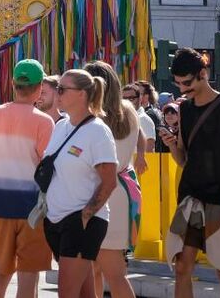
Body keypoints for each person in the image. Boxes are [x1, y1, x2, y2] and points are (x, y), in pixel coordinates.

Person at [159, 48, 220, 297]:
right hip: (191, 197)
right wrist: (171, 146)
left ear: (203, 73)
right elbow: (183, 160)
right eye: (178, 83)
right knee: (182, 266)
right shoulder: (185, 109)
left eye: (187, 82)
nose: (182, 89)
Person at [0, 59, 55, 298]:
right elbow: (49, 164)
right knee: (28, 274)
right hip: (32, 207)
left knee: (2, 272)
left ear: (13, 84)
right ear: (40, 86)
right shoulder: (44, 121)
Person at [41, 69, 118, 298]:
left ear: (82, 94)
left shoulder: (98, 132)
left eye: (63, 89)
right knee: (85, 294)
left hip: (80, 221)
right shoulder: (61, 126)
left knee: (67, 293)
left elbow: (109, 181)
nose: (58, 94)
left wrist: (84, 216)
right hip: (56, 219)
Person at [84, 61, 139, 298]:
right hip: (121, 193)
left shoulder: (93, 119)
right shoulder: (129, 111)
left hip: (97, 193)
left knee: (96, 270)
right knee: (113, 272)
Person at [123, 83, 156, 152]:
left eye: (131, 98)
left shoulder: (144, 119)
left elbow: (149, 150)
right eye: (124, 98)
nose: (127, 101)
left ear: (140, 99)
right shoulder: (122, 118)